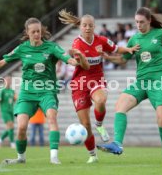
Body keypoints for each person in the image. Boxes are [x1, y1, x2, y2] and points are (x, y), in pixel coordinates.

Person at [0, 17, 80, 164]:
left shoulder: (51, 47)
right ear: (27, 32)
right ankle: (21, 158)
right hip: (27, 93)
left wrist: (77, 60)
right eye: (33, 32)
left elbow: (67, 59)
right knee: (21, 127)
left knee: (52, 118)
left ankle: (54, 157)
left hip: (47, 91)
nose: (37, 34)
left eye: (38, 31)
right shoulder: (22, 48)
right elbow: (2, 62)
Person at [96, 7, 162, 164]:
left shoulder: (160, 34)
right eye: (136, 22)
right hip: (141, 82)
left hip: (160, 81)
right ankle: (117, 144)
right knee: (120, 106)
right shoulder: (134, 39)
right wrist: (107, 57)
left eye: (142, 22)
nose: (138, 25)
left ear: (149, 20)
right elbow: (123, 60)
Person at [58, 9, 138, 163]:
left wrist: (128, 49)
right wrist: (80, 56)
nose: (87, 28)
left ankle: (99, 124)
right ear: (80, 27)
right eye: (85, 25)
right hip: (79, 84)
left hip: (96, 79)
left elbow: (115, 48)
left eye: (90, 25)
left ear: (94, 27)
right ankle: (93, 155)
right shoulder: (77, 44)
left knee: (101, 100)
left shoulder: (101, 40)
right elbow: (85, 67)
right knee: (85, 125)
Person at [0, 76, 16, 148]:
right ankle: (12, 143)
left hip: (11, 111)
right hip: (4, 111)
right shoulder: (2, 91)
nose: (9, 81)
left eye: (10, 80)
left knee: (10, 128)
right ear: (4, 82)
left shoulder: (12, 91)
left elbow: (15, 99)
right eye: (7, 80)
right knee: (11, 126)